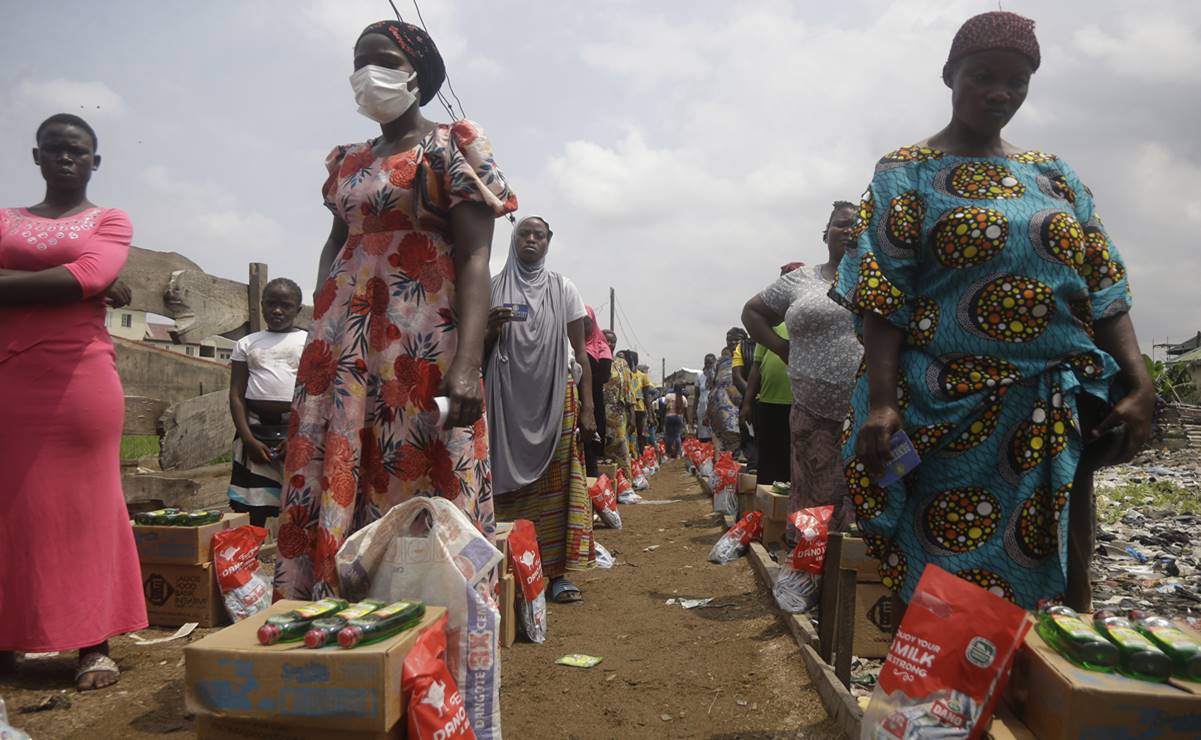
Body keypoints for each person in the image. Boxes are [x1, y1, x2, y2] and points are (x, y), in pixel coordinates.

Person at [831, 11, 1153, 611]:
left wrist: (1139, 382)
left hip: (1054, 409)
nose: (1000, 93)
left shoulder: (1054, 175)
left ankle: (1049, 700)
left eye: (1018, 81)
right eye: (983, 76)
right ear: (950, 74)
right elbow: (882, 295)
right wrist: (882, 403)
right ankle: (940, 700)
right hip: (949, 411)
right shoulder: (907, 173)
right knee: (950, 572)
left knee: (1060, 571)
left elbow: (1104, 285)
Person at [276, 20, 517, 599]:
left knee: (412, 458)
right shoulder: (348, 160)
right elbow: (339, 239)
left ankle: (429, 618)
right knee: (334, 455)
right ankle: (338, 608)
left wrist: (466, 364)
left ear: (417, 73)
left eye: (382, 59)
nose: (366, 73)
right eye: (359, 60)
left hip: (421, 340)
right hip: (342, 340)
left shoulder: (450, 147)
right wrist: (322, 316)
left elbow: (477, 256)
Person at [1, 114, 146, 690]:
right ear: (36, 157)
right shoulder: (6, 216)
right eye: (55, 150)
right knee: (9, 507)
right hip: (10, 375)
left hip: (80, 379)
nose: (66, 158)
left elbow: (91, 274)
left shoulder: (110, 219)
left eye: (78, 151)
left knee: (87, 508)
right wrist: (68, 278)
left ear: (95, 162)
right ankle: (8, 639)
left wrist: (68, 280)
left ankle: (94, 644)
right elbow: (80, 278)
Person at [486, 216, 595, 603]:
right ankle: (510, 572)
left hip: (556, 398)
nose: (531, 240)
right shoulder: (492, 287)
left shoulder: (563, 288)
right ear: (514, 240)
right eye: (524, 234)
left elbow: (579, 350)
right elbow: (476, 346)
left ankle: (557, 574)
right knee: (503, 489)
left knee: (559, 485)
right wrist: (489, 329)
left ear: (549, 242)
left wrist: (588, 410)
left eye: (539, 235)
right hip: (505, 400)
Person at [743, 207, 860, 530]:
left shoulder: (884, 277)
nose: (849, 229)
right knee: (814, 491)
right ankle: (808, 566)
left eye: (858, 224)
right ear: (826, 234)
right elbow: (752, 312)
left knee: (871, 492)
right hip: (813, 408)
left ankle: (859, 571)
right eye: (841, 224)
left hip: (873, 408)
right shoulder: (802, 279)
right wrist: (783, 349)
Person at [227, 278, 307, 527]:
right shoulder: (247, 344)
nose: (277, 311)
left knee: (297, 500)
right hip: (254, 429)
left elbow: (314, 395)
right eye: (271, 304)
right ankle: (252, 558)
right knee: (254, 502)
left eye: (286, 305)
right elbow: (236, 394)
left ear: (298, 310)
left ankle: (294, 558)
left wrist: (297, 435)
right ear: (261, 305)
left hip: (295, 430)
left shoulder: (309, 342)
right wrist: (248, 440)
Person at [740, 310, 794, 487]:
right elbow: (756, 368)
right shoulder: (771, 328)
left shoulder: (803, 325)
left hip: (798, 404)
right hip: (769, 402)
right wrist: (747, 403)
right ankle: (765, 508)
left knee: (792, 456)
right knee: (768, 456)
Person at [581, 305, 612, 476]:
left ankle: (592, 494)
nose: (582, 328)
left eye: (586, 323)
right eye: (577, 323)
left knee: (590, 448)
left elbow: (604, 376)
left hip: (593, 403)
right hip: (571, 401)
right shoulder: (568, 344)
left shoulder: (601, 347)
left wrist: (582, 377)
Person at [603, 331, 636, 478]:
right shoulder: (594, 359)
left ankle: (625, 483)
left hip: (617, 413)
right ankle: (605, 486)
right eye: (607, 340)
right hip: (599, 411)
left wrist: (632, 416)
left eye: (613, 341)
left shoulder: (621, 364)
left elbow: (629, 391)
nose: (610, 344)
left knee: (621, 446)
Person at [708, 328, 747, 455]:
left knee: (740, 431)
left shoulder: (749, 356)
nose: (733, 343)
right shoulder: (720, 362)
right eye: (730, 340)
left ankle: (740, 458)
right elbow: (712, 383)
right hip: (721, 404)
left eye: (737, 340)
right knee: (725, 434)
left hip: (741, 401)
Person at [663, 383, 689, 458]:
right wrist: (687, 422)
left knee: (669, 436)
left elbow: (664, 408)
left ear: (673, 389)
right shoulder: (683, 398)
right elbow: (686, 412)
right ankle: (678, 454)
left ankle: (668, 453)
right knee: (677, 435)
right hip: (679, 418)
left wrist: (663, 418)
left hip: (669, 417)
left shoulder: (668, 396)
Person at [695, 353, 716, 442]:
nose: (708, 365)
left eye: (710, 363)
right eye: (706, 363)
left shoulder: (717, 376)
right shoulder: (699, 376)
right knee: (703, 435)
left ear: (715, 363)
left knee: (714, 434)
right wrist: (693, 414)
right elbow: (696, 396)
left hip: (714, 408)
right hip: (702, 408)